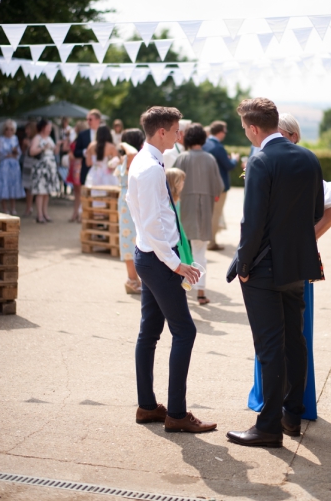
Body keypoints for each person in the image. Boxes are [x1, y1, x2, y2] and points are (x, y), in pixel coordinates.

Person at [226, 98, 323, 448]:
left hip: (264, 268)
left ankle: (267, 427)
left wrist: (245, 265)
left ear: (254, 128)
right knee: (294, 343)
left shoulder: (261, 160)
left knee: (270, 347)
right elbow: (315, 212)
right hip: (297, 265)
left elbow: (251, 223)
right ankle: (291, 415)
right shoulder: (309, 157)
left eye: (245, 129)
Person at [248, 113, 331, 420]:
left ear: (290, 135)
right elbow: (318, 208)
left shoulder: (272, 161)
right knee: (291, 337)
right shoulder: (303, 160)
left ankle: (280, 410)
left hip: (275, 263)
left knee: (283, 337)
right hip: (296, 261)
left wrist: (307, 238)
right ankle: (286, 406)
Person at [126, 106, 214, 433]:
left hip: (149, 255)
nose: (180, 135)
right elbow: (151, 226)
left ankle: (147, 406)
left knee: (149, 332)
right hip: (158, 258)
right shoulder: (149, 168)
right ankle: (176, 413)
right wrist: (176, 264)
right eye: (177, 130)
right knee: (185, 331)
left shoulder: (146, 160)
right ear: (161, 132)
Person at [174, 124, 223, 306]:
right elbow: (218, 186)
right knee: (200, 252)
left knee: (181, 251)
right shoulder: (210, 158)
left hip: (184, 209)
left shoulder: (182, 158)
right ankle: (201, 292)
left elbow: (170, 184)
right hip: (204, 211)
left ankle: (182, 290)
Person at [203, 120, 239, 251]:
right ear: (220, 132)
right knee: (215, 214)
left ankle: (208, 240)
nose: (225, 134)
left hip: (206, 185)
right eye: (225, 131)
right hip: (219, 187)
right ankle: (211, 242)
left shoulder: (205, 143)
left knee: (210, 213)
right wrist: (234, 159)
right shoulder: (218, 147)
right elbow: (229, 166)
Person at [117, 128, 145, 294]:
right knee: (130, 240)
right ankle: (132, 279)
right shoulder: (131, 157)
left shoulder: (127, 159)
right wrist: (124, 144)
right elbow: (133, 151)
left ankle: (134, 278)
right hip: (129, 202)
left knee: (131, 239)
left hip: (127, 201)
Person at [29, 119, 60, 223]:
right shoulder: (37, 138)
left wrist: (58, 145)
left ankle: (45, 213)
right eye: (48, 127)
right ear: (43, 127)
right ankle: (39, 215)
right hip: (40, 168)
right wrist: (42, 147)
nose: (50, 129)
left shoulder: (50, 138)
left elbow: (55, 152)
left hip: (50, 168)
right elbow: (32, 151)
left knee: (47, 192)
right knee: (40, 192)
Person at [0, 121, 24, 215]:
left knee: (13, 185)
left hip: (14, 165)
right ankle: (5, 208)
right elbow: (0, 152)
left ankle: (13, 208)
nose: (9, 131)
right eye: (7, 129)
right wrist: (8, 155)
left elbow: (19, 152)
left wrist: (15, 152)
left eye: (11, 129)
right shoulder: (1, 139)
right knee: (4, 184)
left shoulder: (15, 138)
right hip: (5, 165)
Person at [74, 109, 101, 187]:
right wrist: (84, 152)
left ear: (97, 120)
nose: (88, 122)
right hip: (86, 169)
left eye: (90, 119)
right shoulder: (82, 134)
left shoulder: (104, 133)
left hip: (101, 170)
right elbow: (76, 152)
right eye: (87, 119)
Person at [67, 120, 87, 222]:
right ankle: (76, 213)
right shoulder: (76, 139)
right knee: (77, 193)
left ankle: (79, 214)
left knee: (80, 193)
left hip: (78, 167)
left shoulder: (82, 140)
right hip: (74, 167)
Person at [20, 121, 36, 217]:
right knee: (27, 188)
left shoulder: (35, 139)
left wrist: (28, 145)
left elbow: (33, 151)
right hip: (26, 164)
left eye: (28, 129)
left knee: (30, 188)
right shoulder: (27, 139)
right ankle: (29, 207)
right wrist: (24, 145)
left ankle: (29, 208)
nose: (26, 131)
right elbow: (23, 152)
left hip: (32, 165)